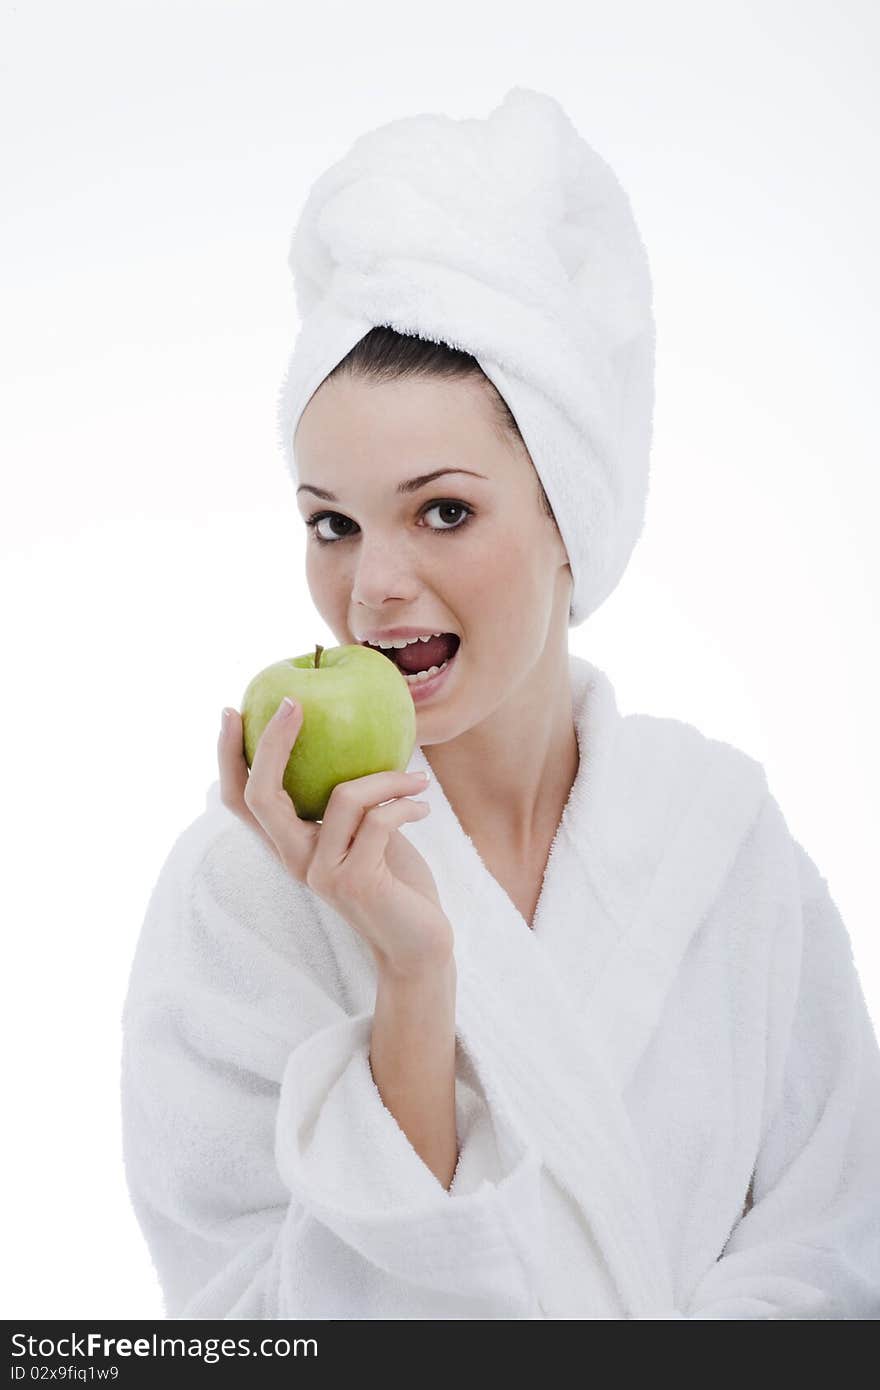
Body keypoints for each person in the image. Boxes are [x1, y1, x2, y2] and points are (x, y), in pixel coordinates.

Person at [120, 89, 880, 1320]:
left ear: (568, 517)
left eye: (443, 511)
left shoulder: (723, 845)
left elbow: (836, 1247)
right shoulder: (246, 893)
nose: (371, 588)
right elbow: (251, 1327)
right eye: (332, 521)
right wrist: (414, 982)